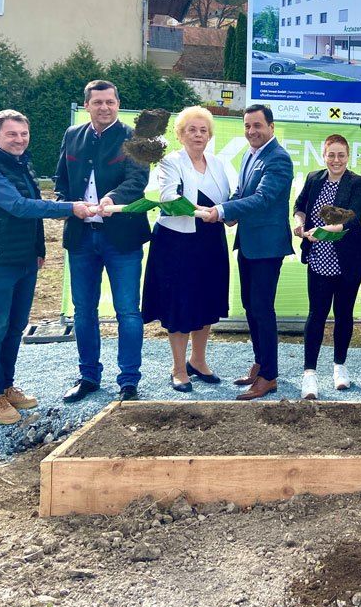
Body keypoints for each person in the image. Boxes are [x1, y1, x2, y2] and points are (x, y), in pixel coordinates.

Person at [0, 110, 91, 424]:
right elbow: (19, 207)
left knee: (14, 328)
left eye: (23, 134)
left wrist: (38, 250)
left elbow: (30, 213)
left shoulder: (21, 165)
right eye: (11, 134)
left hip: (23, 262)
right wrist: (70, 208)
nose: (19, 140)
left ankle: (6, 387)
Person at [55, 81, 150, 403]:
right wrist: (65, 204)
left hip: (121, 238)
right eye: (98, 102)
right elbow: (61, 181)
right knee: (84, 311)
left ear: (118, 103)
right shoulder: (72, 136)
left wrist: (111, 199)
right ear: (87, 106)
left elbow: (137, 181)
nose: (104, 107)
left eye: (110, 101)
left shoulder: (134, 138)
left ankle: (128, 381)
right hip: (82, 238)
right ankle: (88, 376)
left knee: (127, 311)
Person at [198, 104, 293, 399]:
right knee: (251, 308)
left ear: (272, 127)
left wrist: (222, 210)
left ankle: (269, 376)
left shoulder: (278, 159)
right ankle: (260, 363)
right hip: (250, 245)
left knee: (262, 309)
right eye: (247, 126)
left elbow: (263, 199)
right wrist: (224, 211)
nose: (252, 131)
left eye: (257, 126)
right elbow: (242, 192)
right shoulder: (250, 155)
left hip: (267, 247)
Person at [138, 106, 233, 392]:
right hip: (176, 243)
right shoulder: (170, 162)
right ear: (180, 134)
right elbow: (169, 197)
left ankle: (198, 361)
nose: (198, 134)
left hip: (210, 242)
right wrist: (205, 213)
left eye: (203, 130)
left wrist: (226, 213)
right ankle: (178, 368)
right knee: (179, 306)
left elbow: (228, 200)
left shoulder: (217, 163)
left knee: (205, 301)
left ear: (210, 135)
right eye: (191, 129)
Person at [292, 133, 361, 399]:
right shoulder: (314, 178)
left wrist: (324, 229)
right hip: (318, 259)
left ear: (347, 157)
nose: (336, 160)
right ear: (324, 155)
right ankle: (309, 374)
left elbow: (352, 217)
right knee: (316, 315)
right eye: (331, 154)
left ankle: (339, 367)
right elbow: (300, 205)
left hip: (348, 261)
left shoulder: (358, 183)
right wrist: (299, 223)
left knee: (344, 314)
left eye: (341, 155)